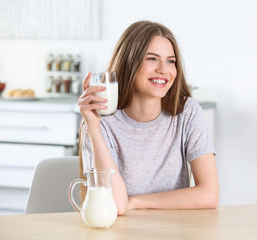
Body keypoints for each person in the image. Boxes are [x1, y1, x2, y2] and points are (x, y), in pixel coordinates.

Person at [78, 20, 219, 215]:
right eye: (152, 59)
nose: (164, 69)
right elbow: (117, 205)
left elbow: (209, 195)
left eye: (171, 61)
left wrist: (135, 201)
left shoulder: (187, 112)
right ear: (130, 62)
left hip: (177, 231)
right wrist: (93, 128)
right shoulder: (101, 123)